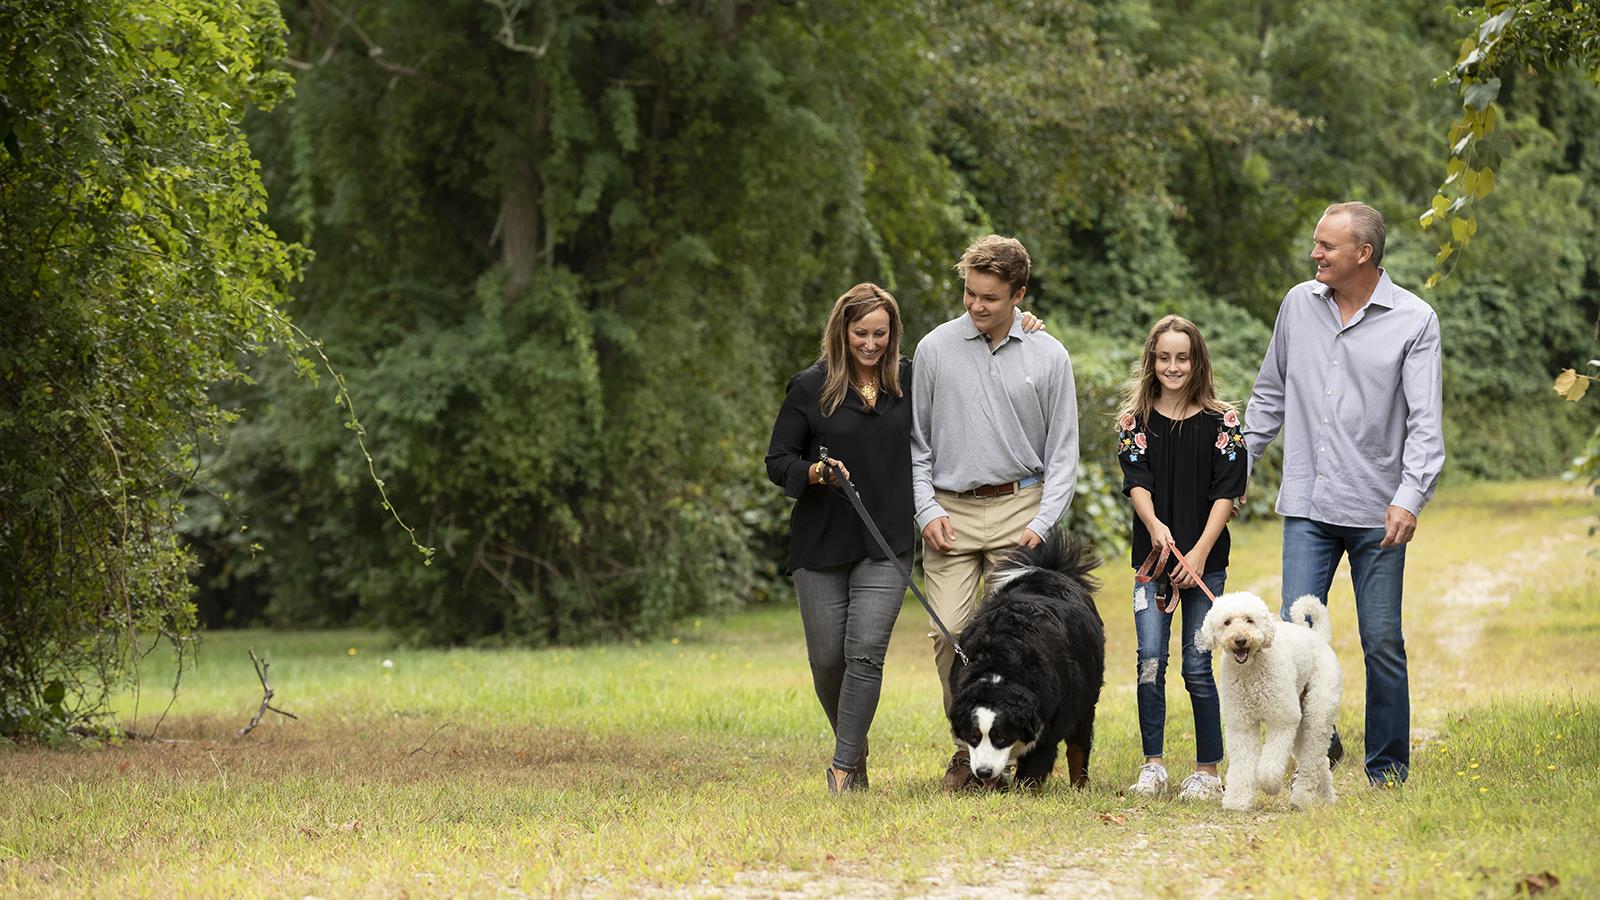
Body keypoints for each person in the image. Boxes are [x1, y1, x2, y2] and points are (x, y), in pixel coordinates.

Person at [765, 282, 1043, 794]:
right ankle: (857, 749)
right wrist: (816, 474)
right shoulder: (810, 387)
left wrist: (1025, 327)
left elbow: (976, 366)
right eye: (860, 334)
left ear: (893, 334)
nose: (870, 344)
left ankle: (843, 769)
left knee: (866, 653)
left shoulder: (909, 381)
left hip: (885, 541)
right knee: (828, 660)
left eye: (880, 333)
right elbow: (777, 461)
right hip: (821, 542)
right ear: (841, 332)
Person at [1243, 201, 1445, 786]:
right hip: (1307, 502)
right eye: (1315, 243)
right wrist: (1237, 472)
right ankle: (1320, 745)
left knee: (1381, 640)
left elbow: (1426, 424)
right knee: (1291, 639)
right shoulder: (1297, 305)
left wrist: (1410, 496)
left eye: (1326, 246)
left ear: (1364, 254)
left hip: (1378, 509)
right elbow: (1270, 394)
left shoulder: (1415, 320)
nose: (1315, 254)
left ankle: (1387, 768)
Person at [909, 234, 1079, 791]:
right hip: (951, 511)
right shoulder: (934, 349)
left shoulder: (1048, 354)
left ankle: (1018, 744)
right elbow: (917, 443)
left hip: (1021, 510)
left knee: (1021, 642)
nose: (976, 305)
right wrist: (925, 507)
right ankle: (969, 748)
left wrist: (1041, 524)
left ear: (1019, 294)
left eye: (990, 297)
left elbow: (1063, 454)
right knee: (950, 635)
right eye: (969, 294)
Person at [1115, 315, 1245, 801]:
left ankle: (1208, 771)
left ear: (1197, 361)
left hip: (1203, 563)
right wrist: (1155, 528)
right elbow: (1137, 482)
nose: (1173, 367)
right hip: (1153, 566)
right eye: (1163, 357)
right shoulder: (1135, 422)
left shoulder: (1224, 424)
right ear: (1152, 360)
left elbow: (1227, 494)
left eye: (1182, 358)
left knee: (1197, 664)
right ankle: (1153, 766)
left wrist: (1198, 553)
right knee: (1150, 659)